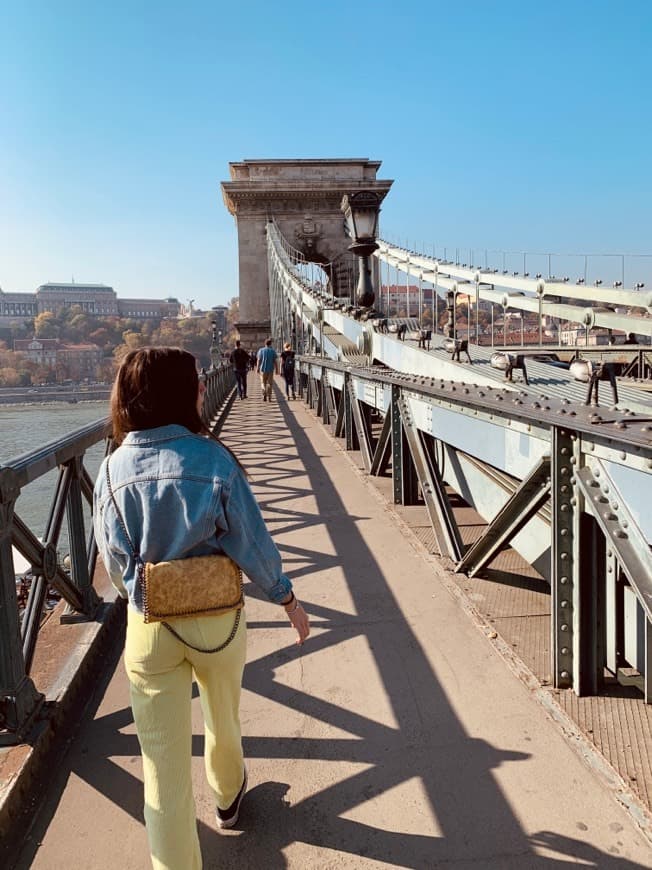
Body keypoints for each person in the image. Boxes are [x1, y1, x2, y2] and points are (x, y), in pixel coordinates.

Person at [93, 347, 309, 870]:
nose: (199, 390)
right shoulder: (215, 460)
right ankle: (228, 798)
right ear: (180, 393)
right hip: (218, 621)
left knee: (162, 771)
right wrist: (286, 598)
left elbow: (116, 561)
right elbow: (251, 545)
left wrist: (149, 595)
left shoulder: (110, 469)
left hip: (151, 626)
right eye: (193, 383)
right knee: (223, 717)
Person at [256, 338, 278, 403]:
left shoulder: (261, 350)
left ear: (265, 344)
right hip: (270, 369)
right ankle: (269, 397)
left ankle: (264, 393)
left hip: (262, 369)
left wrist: (257, 368)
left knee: (263, 383)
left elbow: (259, 360)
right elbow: (275, 361)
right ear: (270, 344)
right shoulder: (273, 351)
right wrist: (277, 369)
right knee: (269, 383)